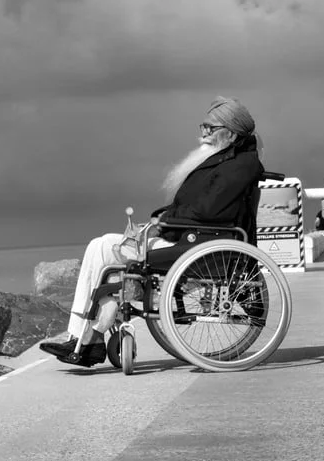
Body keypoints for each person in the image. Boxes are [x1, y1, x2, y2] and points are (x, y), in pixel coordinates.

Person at [39, 96, 265, 367]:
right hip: (190, 239)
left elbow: (210, 211)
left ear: (230, 132)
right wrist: (164, 217)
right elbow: (200, 206)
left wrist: (166, 221)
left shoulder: (240, 165)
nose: (202, 133)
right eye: (202, 126)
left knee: (101, 248)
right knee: (100, 244)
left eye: (209, 128)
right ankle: (86, 336)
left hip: (197, 246)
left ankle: (89, 337)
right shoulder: (226, 160)